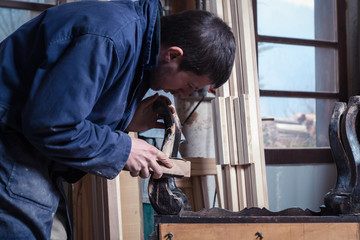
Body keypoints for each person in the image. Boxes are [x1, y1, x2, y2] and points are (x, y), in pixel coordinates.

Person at [0, 0, 236, 239]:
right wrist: (125, 148)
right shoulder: (110, 37)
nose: (185, 94)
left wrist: (126, 121)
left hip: (31, 149)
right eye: (190, 85)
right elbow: (50, 125)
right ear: (173, 55)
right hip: (9, 143)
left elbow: (66, 108)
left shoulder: (139, 53)